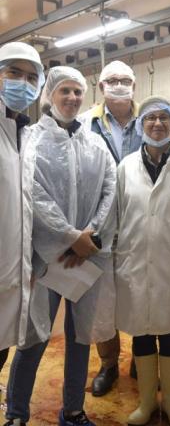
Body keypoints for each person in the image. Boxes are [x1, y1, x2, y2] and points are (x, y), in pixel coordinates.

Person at [4, 66, 116, 426]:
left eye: (77, 92)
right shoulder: (32, 139)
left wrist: (91, 236)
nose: (71, 98)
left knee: (80, 337)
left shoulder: (95, 142)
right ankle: (18, 413)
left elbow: (110, 189)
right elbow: (33, 195)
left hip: (85, 258)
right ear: (49, 94)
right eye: (64, 91)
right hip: (46, 259)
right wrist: (71, 237)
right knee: (34, 338)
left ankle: (73, 410)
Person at [115, 96, 170, 426]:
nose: (157, 124)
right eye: (150, 119)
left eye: (164, 118)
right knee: (142, 333)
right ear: (140, 125)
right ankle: (147, 402)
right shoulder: (125, 168)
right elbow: (117, 219)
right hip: (134, 263)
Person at [79, 60, 142, 396]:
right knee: (102, 298)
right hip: (99, 223)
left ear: (134, 84)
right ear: (101, 87)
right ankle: (108, 364)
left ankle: (141, 359)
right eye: (112, 81)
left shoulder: (150, 121)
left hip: (140, 222)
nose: (119, 85)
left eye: (125, 80)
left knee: (138, 291)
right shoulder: (85, 123)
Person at [0, 42, 45, 379]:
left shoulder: (24, 132)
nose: (23, 83)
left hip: (12, 268)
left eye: (32, 77)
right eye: (14, 72)